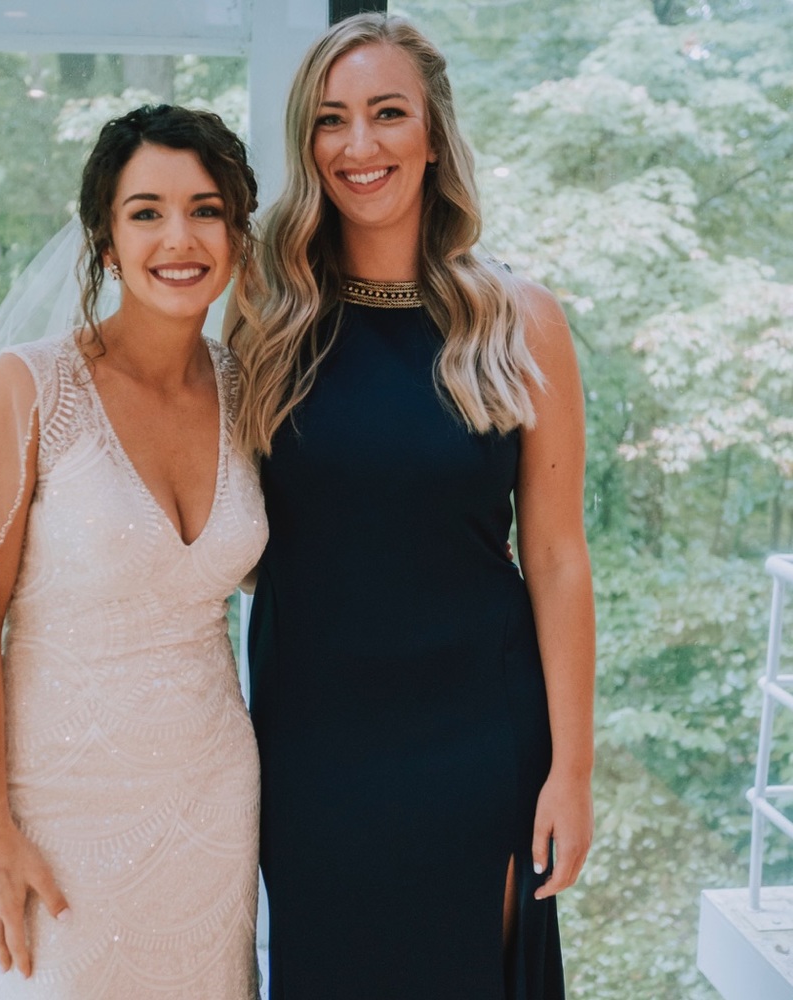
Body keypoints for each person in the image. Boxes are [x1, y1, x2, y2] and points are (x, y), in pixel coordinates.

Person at [228, 12, 595, 999]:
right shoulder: (265, 317)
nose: (360, 144)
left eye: (388, 113)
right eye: (331, 119)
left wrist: (572, 770)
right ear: (308, 143)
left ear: (433, 134)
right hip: (312, 747)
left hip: (480, 741)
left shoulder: (520, 319)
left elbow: (557, 558)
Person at [0, 105, 267, 999]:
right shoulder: (32, 387)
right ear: (107, 242)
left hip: (214, 809)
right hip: (59, 824)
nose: (179, 237)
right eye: (146, 212)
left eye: (206, 210)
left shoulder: (249, 391)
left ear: (236, 234)